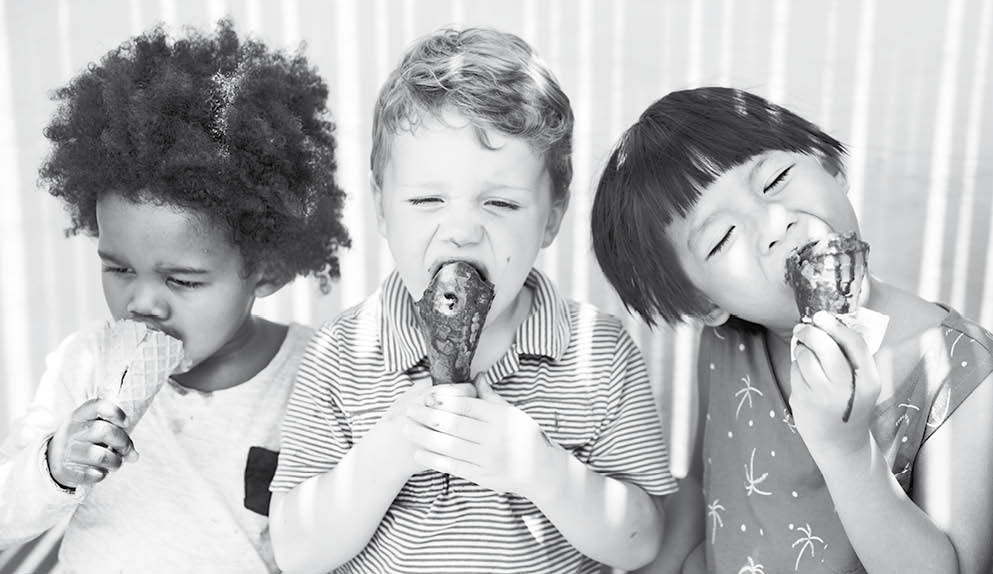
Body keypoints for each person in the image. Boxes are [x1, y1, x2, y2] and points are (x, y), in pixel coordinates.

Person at [269, 26, 684, 574]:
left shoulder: (600, 354)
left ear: (553, 215)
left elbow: (641, 542)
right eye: (426, 199)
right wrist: (392, 450)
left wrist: (542, 468)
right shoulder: (340, 355)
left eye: (502, 204)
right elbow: (296, 553)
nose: (461, 231)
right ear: (381, 206)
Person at [590, 86, 993, 574]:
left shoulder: (960, 371)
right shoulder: (726, 342)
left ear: (829, 165)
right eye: (721, 239)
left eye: (776, 178)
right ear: (706, 303)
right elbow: (705, 493)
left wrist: (845, 451)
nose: (773, 225)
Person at [0, 20, 349, 573]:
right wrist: (53, 464)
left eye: (182, 280)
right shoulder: (84, 365)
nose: (142, 302)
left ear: (268, 269)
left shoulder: (322, 376)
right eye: (117, 268)